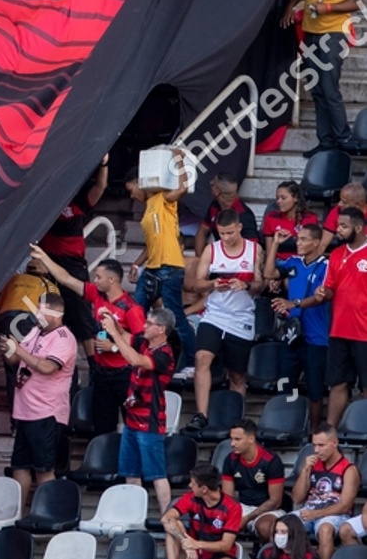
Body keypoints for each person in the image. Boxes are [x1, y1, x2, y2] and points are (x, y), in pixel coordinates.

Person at [31, 247, 141, 435]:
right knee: (102, 428)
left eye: (98, 277)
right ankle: (105, 463)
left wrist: (114, 347)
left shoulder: (131, 308)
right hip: (100, 374)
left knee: (133, 426)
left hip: (124, 375)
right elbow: (66, 279)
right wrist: (45, 257)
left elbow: (141, 343)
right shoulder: (96, 295)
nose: (95, 280)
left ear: (112, 280)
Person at [285, 0, 361, 157]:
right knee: (316, 89)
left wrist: (328, 7)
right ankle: (325, 141)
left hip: (334, 33)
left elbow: (359, 1)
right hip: (311, 31)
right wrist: (290, 7)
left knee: (329, 87)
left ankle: (343, 137)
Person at [187, 210, 260, 432]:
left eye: (229, 233)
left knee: (237, 374)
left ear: (239, 227)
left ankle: (237, 420)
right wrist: (212, 285)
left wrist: (246, 285)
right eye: (221, 233)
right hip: (215, 314)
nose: (226, 238)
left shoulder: (254, 250)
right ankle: (201, 414)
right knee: (201, 358)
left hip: (241, 317)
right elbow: (196, 284)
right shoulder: (212, 250)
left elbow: (261, 284)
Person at [3, 290, 77, 510]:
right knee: (20, 465)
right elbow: (14, 361)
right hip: (24, 409)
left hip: (46, 411)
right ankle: (17, 513)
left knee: (44, 468)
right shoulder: (35, 331)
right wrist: (8, 350)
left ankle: (50, 512)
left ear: (57, 313)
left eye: (41, 311)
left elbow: (47, 367)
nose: (37, 315)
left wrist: (19, 351)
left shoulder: (65, 338)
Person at [33, 156, 108, 358]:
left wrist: (103, 164)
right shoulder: (43, 203)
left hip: (73, 266)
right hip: (46, 263)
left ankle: (94, 366)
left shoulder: (79, 201)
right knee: (48, 314)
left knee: (83, 319)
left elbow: (100, 187)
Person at [108, 304, 178, 511]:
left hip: (150, 420)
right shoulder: (145, 343)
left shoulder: (164, 353)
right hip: (132, 419)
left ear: (161, 329)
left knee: (157, 474)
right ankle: (134, 514)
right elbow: (125, 335)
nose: (144, 326)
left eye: (149, 323)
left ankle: (167, 515)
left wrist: (113, 333)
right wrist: (112, 323)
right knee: (130, 473)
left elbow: (134, 359)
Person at [303, 207, 367, 427]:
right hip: (339, 330)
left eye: (343, 226)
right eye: (338, 225)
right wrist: (323, 293)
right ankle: (330, 432)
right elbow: (330, 290)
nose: (338, 230)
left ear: (358, 227)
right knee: (337, 383)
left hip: (364, 332)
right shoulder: (337, 254)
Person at [126, 162, 193, 373]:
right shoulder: (149, 206)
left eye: (131, 190)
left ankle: (193, 362)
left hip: (169, 267)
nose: (131, 195)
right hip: (153, 267)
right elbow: (151, 244)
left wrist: (179, 161)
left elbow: (182, 188)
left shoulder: (162, 199)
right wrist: (137, 263)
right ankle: (133, 356)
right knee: (135, 311)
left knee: (176, 317)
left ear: (140, 183)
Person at [269, 223, 333, 430]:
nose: (299, 242)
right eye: (298, 239)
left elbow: (319, 297)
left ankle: (314, 431)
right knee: (286, 384)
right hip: (293, 335)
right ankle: (288, 425)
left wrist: (293, 303)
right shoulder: (293, 262)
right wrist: (275, 245)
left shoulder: (325, 266)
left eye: (304, 239)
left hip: (316, 337)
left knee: (315, 389)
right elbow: (270, 273)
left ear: (316, 242)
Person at [283, 424, 358, 559]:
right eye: (314, 445)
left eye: (321, 445)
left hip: (334, 514)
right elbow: (297, 498)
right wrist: (305, 470)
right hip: (309, 511)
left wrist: (316, 514)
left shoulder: (349, 469)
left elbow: (345, 506)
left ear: (335, 443)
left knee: (325, 529)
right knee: (283, 525)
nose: (316, 450)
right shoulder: (312, 464)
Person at [159, 465, 242, 559]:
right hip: (191, 554)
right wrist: (187, 543)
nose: (189, 486)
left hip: (216, 555)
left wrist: (197, 544)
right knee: (174, 525)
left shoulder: (232, 507)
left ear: (203, 489)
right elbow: (166, 519)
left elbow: (226, 545)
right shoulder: (191, 498)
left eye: (193, 483)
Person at [220, 419, 286, 540]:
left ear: (251, 439)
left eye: (237, 439)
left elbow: (275, 501)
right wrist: (233, 515)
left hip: (268, 509)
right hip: (243, 506)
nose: (232, 443)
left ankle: (268, 557)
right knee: (216, 522)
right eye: (231, 439)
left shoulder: (271, 460)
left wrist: (247, 518)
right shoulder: (230, 460)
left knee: (265, 527)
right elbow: (227, 497)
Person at [195, 173, 260, 257]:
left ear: (217, 191)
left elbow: (252, 248)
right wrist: (200, 258)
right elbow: (202, 231)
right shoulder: (214, 206)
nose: (210, 183)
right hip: (217, 256)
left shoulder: (244, 215)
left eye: (212, 184)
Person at [261, 180, 316, 262]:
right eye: (277, 198)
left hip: (301, 263)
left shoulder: (309, 218)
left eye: (283, 198)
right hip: (278, 264)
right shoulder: (271, 217)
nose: (278, 201)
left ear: (295, 198)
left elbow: (312, 249)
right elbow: (269, 253)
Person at [323, 182, 366, 253]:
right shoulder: (337, 211)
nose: (339, 204)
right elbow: (323, 244)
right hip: (344, 255)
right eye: (340, 200)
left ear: (358, 204)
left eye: (345, 202)